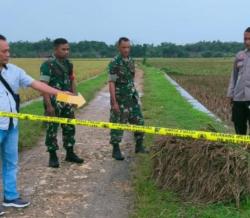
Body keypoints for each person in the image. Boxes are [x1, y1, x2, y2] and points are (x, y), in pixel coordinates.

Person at [0, 34, 70, 215]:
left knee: (11, 162)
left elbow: (37, 85)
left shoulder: (14, 71)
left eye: (8, 50)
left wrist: (61, 94)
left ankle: (11, 196)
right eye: (4, 51)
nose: (8, 54)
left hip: (11, 124)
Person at [40, 38, 84, 168]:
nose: (66, 52)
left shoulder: (68, 64)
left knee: (70, 126)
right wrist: (48, 106)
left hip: (67, 99)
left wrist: (75, 98)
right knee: (52, 128)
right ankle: (52, 155)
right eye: (63, 49)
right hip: (53, 101)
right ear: (55, 49)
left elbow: (72, 81)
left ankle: (70, 153)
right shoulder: (47, 65)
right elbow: (43, 86)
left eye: (68, 49)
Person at [108, 37, 147, 161]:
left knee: (139, 121)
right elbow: (111, 83)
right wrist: (114, 102)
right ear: (119, 48)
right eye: (124, 47)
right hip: (120, 99)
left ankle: (139, 146)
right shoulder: (114, 62)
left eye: (128, 47)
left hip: (132, 98)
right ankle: (115, 150)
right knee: (118, 124)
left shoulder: (131, 60)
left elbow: (131, 79)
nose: (126, 50)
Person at [227, 27, 250, 135]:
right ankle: (242, 150)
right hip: (239, 98)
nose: (247, 42)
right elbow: (234, 76)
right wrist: (231, 93)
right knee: (239, 126)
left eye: (249, 39)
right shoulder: (240, 55)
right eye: (245, 39)